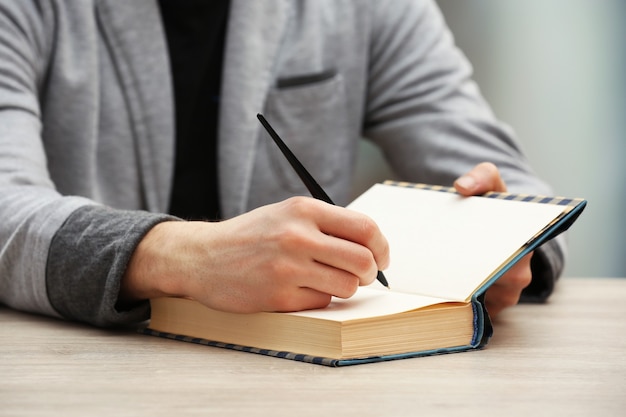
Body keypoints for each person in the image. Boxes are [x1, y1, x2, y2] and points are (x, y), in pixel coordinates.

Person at [0, 0, 564, 327]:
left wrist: (504, 238)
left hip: (305, 381)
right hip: (71, 369)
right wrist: (185, 257)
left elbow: (494, 172)